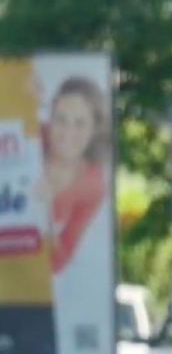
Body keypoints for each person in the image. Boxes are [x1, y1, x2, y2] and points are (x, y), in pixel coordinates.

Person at [38, 77, 110, 274]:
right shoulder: (30, 140)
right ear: (50, 119)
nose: (67, 132)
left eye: (80, 123)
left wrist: (38, 216)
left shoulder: (92, 185)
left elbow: (59, 260)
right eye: (61, 119)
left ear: (94, 129)